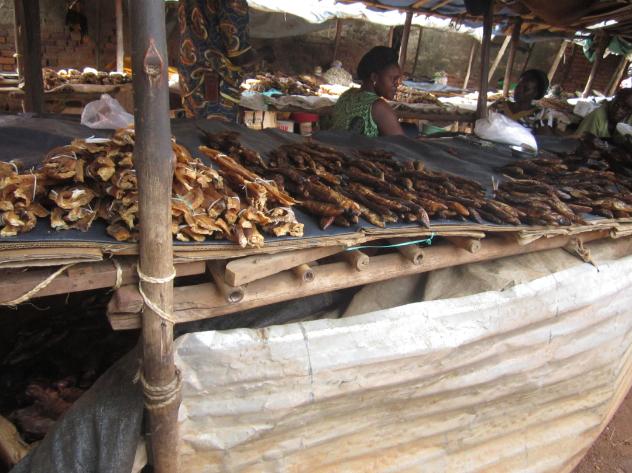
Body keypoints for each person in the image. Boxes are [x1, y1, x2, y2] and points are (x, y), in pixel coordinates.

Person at [177, 0, 257, 121]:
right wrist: (265, 53)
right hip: (214, 87)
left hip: (190, 83)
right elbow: (239, 55)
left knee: (197, 130)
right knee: (218, 131)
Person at [331, 46, 404, 137]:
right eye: (393, 79)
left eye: (397, 80)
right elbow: (401, 144)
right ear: (374, 77)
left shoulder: (347, 94)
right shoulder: (379, 107)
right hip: (356, 146)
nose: (397, 84)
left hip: (333, 145)